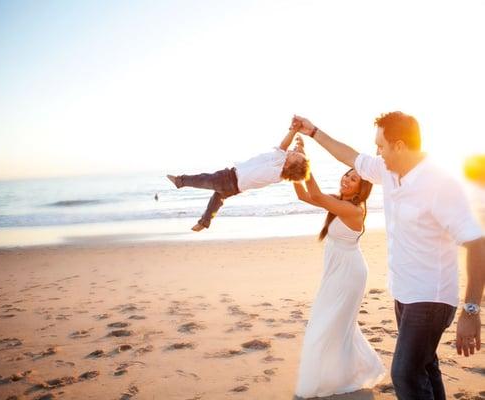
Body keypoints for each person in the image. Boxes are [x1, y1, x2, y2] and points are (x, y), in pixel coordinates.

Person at [291, 111, 484, 400]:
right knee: (426, 366)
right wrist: (313, 131)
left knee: (404, 373)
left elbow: (477, 244)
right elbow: (348, 155)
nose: (377, 153)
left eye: (381, 146)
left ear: (400, 146)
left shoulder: (439, 184)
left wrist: (471, 310)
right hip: (403, 293)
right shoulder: (387, 171)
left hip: (430, 297)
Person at [292, 137, 385, 398]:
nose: (346, 179)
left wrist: (305, 162)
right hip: (337, 272)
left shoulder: (352, 210)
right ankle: (344, 374)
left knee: (327, 326)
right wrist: (296, 165)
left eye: (353, 179)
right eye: (347, 174)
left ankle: (335, 378)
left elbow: (317, 195)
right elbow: (303, 194)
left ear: (361, 189)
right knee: (334, 326)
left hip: (349, 275)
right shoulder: (338, 202)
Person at [167, 128, 310, 231]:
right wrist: (300, 149)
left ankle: (181, 181)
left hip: (230, 178)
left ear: (289, 165)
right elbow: (295, 163)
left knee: (204, 179)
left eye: (295, 154)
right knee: (216, 199)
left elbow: (284, 146)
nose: (293, 151)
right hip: (236, 188)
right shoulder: (279, 176)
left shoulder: (279, 161)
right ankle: (204, 222)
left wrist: (294, 130)